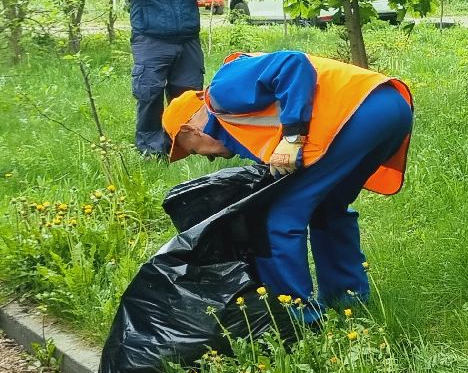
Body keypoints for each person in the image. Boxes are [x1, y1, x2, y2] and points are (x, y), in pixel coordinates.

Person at [161, 50, 414, 318]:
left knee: (278, 219)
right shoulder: (237, 125)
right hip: (390, 107)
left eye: (193, 151)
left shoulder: (222, 92)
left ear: (189, 130)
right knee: (328, 208)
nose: (208, 158)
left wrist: (293, 138)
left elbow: (293, 63)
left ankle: (298, 318)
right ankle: (348, 300)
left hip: (357, 113)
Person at [113, 0, 221, 158]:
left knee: (187, 97)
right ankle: (151, 151)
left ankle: (184, 147)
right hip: (151, 40)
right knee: (149, 95)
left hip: (187, 41)